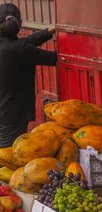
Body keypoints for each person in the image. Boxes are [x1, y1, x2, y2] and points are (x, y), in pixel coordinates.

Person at [0, 3, 57, 147]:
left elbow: (23, 43)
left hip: (4, 113)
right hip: (11, 116)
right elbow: (55, 58)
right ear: (19, 23)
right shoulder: (21, 49)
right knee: (8, 159)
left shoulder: (17, 47)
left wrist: (49, 31)